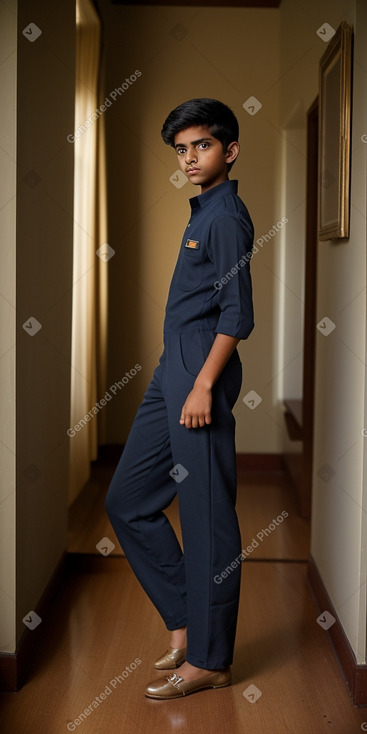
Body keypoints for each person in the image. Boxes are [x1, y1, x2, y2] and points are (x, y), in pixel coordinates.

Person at [105, 98, 254, 700]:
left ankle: (213, 659)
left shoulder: (226, 217)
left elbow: (238, 314)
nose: (190, 158)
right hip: (174, 369)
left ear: (230, 150)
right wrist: (180, 375)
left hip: (201, 373)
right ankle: (186, 622)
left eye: (202, 146)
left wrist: (202, 384)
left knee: (207, 515)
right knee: (129, 500)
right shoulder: (202, 212)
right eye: (182, 149)